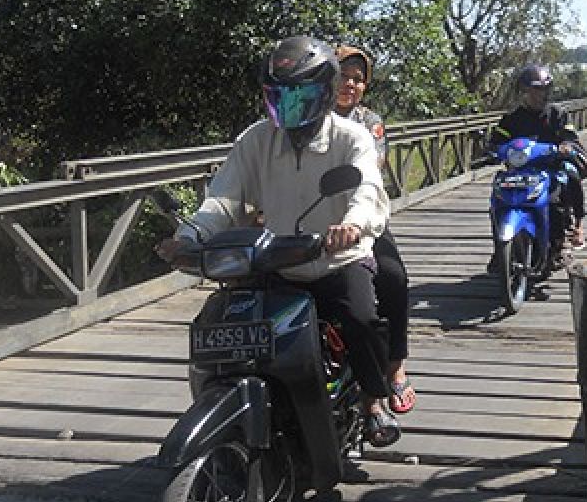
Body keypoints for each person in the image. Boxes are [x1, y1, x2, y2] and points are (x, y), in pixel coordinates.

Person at [156, 36, 400, 447]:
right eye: (280, 95)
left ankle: (372, 402)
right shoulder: (256, 140)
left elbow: (367, 190)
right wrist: (189, 237)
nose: (290, 106)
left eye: (300, 95)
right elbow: (223, 199)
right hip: (275, 263)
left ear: (323, 93)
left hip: (335, 259)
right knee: (225, 321)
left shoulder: (351, 137)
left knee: (361, 319)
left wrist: (352, 225)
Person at [334, 44, 415, 415]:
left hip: (363, 218)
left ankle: (395, 365)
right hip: (310, 218)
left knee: (394, 279)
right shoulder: (304, 115)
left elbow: (372, 170)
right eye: (342, 75)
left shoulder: (370, 122)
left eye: (357, 79)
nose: (350, 84)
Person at [487, 64, 587, 254]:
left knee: (569, 181)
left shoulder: (557, 114)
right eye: (535, 89)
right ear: (524, 91)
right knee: (497, 202)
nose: (540, 94)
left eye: (544, 89)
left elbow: (570, 135)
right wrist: (491, 151)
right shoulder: (511, 118)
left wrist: (566, 145)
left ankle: (575, 229)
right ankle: (500, 251)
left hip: (550, 168)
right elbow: (497, 141)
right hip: (519, 172)